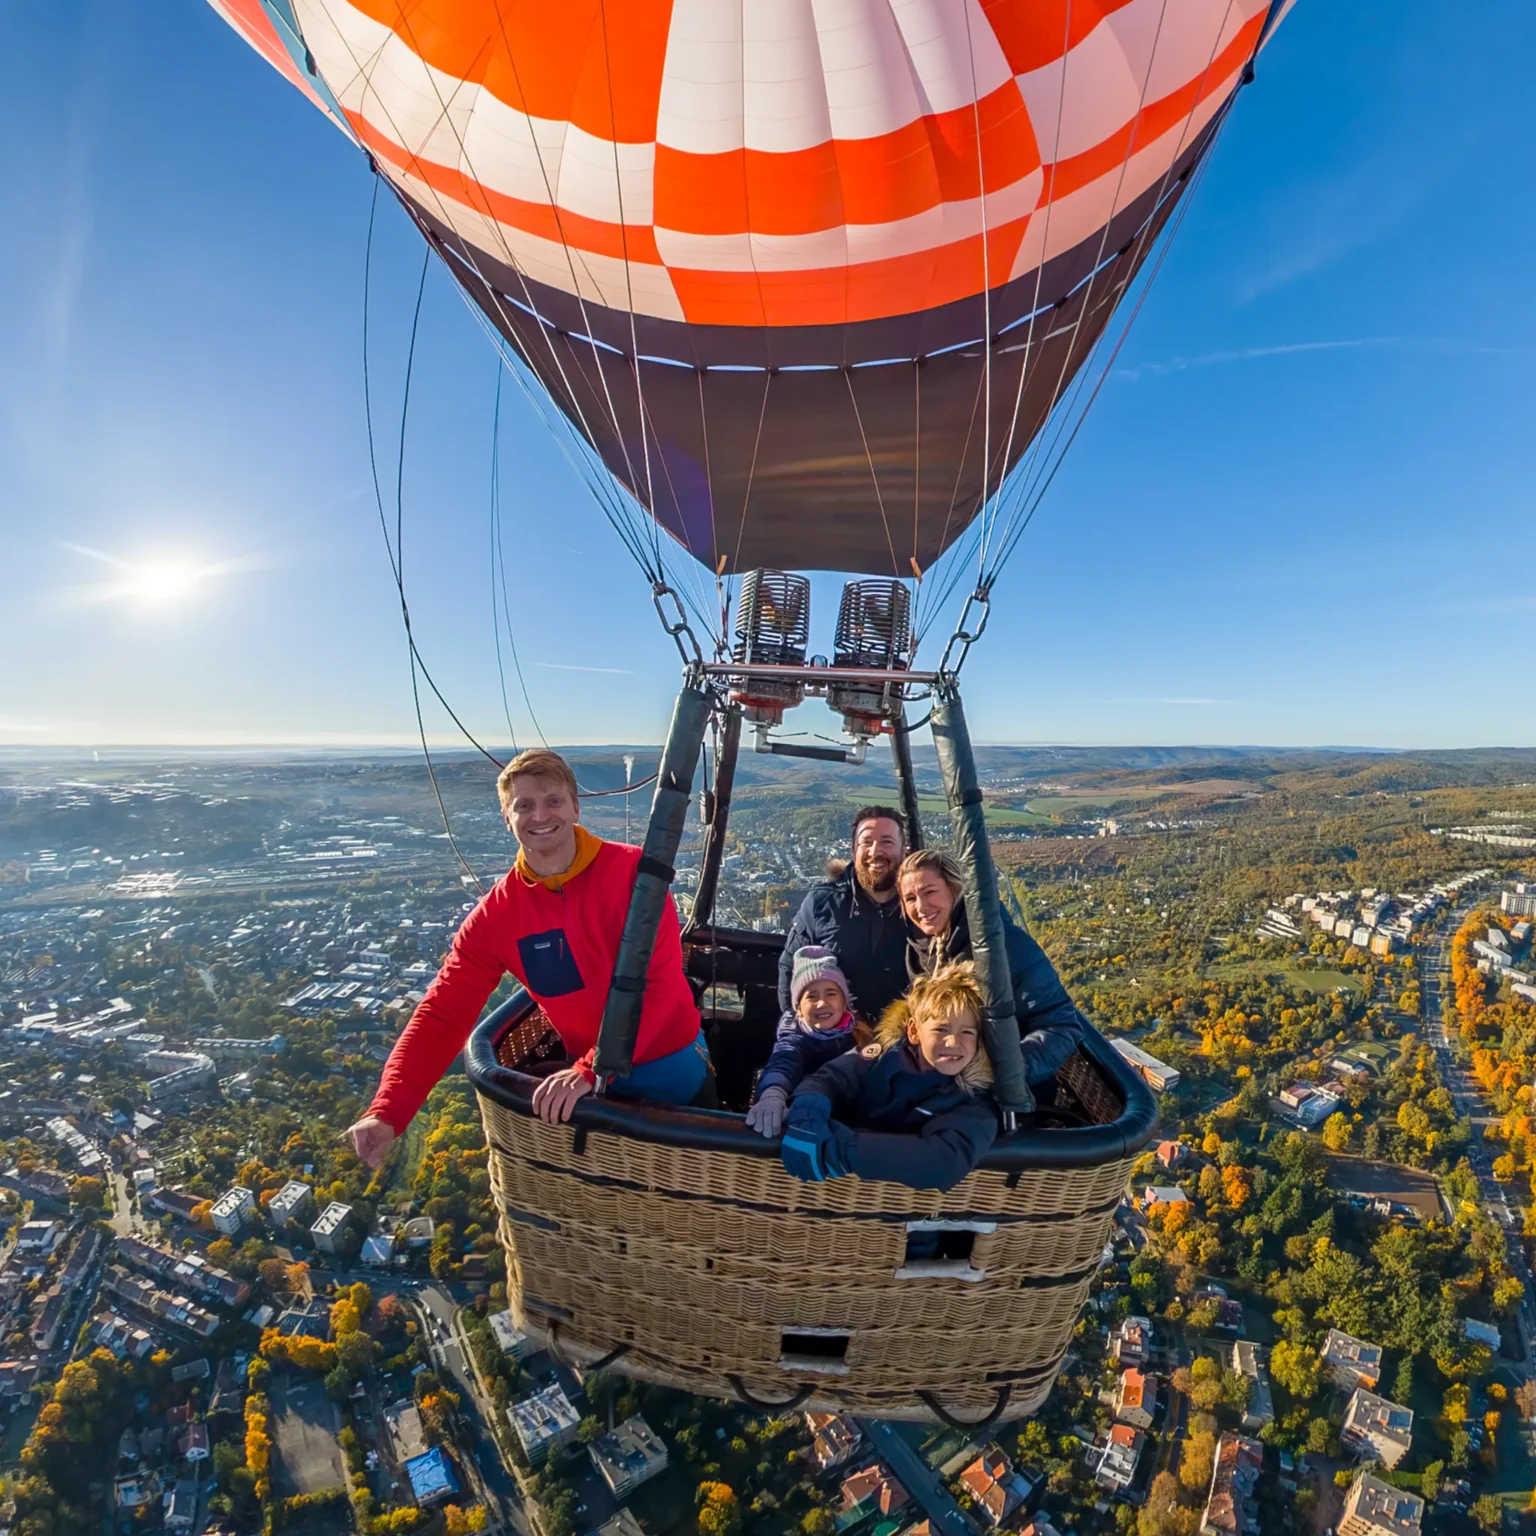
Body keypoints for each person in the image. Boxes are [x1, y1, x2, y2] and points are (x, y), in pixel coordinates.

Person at [346, 749, 708, 1166]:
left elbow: (657, 987)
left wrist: (592, 1068)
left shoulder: (635, 874)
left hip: (668, 1063)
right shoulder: (498, 916)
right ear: (508, 818)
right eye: (524, 805)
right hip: (588, 1084)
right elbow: (444, 1012)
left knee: (698, 1175)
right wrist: (389, 1110)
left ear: (575, 808)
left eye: (553, 800)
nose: (540, 815)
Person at [778, 962, 998, 1192]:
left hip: (899, 1204)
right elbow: (830, 1079)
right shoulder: (883, 1055)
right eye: (941, 1030)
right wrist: (808, 1115)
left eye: (967, 1032)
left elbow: (941, 1161)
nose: (953, 1042)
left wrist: (840, 1150)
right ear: (914, 1031)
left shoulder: (974, 1099)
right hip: (837, 1193)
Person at [897, 848, 1084, 1091]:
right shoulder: (920, 950)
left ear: (955, 890)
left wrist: (1004, 1073)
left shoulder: (1003, 945)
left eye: (930, 892)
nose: (921, 907)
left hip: (1000, 1097)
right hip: (941, 1084)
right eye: (910, 898)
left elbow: (1061, 1025)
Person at [777, 806, 908, 1024]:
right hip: (835, 1039)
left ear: (903, 850)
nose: (875, 852)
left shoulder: (921, 908)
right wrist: (798, 1031)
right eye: (866, 842)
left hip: (904, 1041)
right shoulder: (822, 903)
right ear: (853, 850)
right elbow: (790, 968)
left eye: (887, 842)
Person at [744, 947, 858, 1138]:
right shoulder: (795, 1037)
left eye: (831, 993)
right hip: (802, 1123)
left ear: (844, 1001)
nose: (821, 1003)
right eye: (811, 996)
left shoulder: (861, 1034)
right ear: (798, 1009)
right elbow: (784, 1059)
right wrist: (774, 1092)